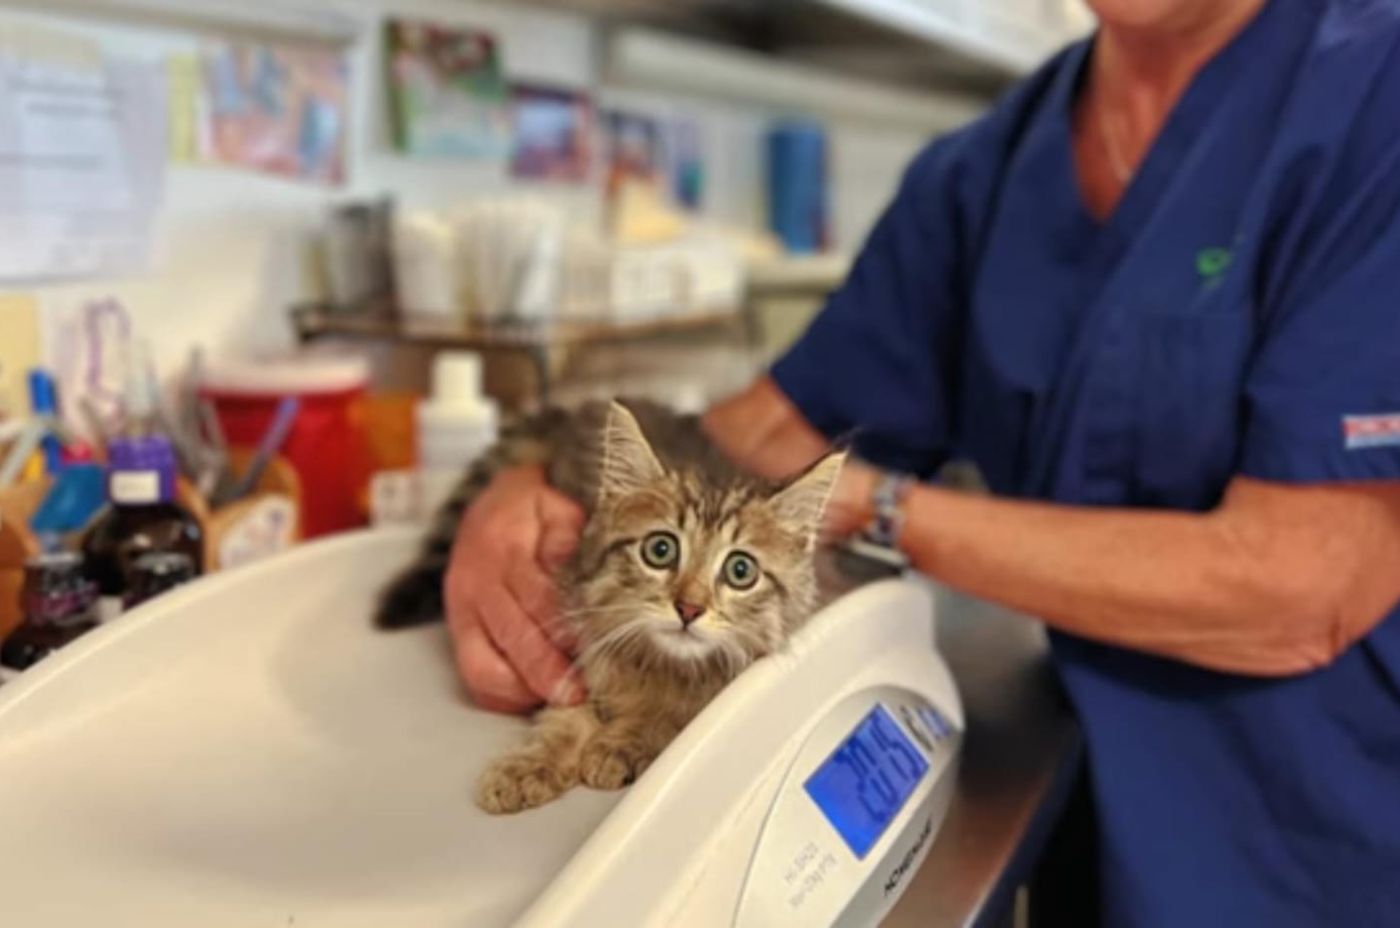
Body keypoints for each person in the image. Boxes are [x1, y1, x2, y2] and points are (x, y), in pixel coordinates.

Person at [440, 0, 1400, 922]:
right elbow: (773, 432)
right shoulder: (981, 175)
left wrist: (883, 508)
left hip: (1314, 833)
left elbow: (1307, 588)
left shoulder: (1372, 98)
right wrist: (538, 482)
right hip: (1076, 781)